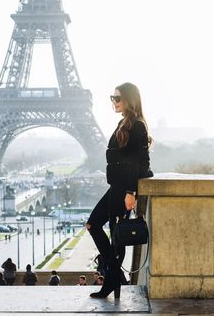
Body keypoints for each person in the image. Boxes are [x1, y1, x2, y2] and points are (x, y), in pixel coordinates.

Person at [86, 82, 153, 299]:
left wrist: (130, 192)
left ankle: (113, 277)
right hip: (117, 186)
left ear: (129, 100)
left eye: (117, 98)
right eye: (112, 98)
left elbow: (133, 162)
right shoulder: (125, 123)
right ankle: (114, 278)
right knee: (99, 227)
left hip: (123, 188)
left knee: (112, 232)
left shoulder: (137, 125)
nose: (113, 102)